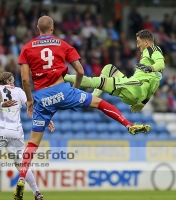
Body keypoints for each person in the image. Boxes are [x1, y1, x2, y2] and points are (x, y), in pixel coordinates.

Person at [14, 16, 150, 200]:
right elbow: (80, 71)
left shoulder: (27, 48)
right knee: (99, 103)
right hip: (64, 91)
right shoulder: (62, 44)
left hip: (42, 98)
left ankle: (21, 179)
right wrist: (75, 90)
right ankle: (128, 124)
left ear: (37, 28)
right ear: (52, 28)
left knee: (32, 144)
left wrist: (30, 101)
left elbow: (24, 80)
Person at [64, 29, 165, 113]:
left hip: (133, 87)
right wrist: (143, 103)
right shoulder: (155, 70)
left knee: (92, 81)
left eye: (138, 42)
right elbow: (154, 84)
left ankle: (62, 75)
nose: (137, 45)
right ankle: (94, 96)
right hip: (135, 92)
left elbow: (161, 63)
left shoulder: (152, 49)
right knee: (109, 68)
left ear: (146, 42)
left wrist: (149, 68)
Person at [0, 72, 52, 200]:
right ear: (8, 80)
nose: (14, 80)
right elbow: (31, 106)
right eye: (12, 78)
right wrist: (46, 119)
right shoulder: (19, 91)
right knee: (21, 165)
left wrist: (1, 104)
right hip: (16, 132)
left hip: (1, 130)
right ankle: (37, 192)